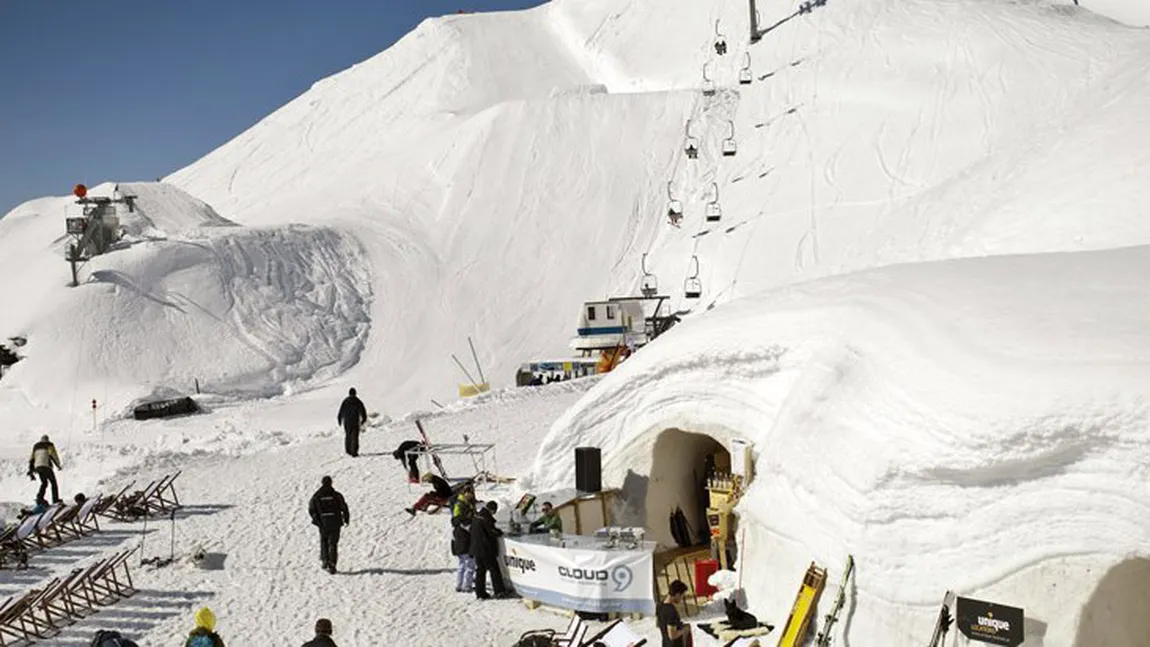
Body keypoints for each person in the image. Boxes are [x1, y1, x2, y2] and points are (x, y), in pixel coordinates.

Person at [308, 476, 350, 574]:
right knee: (333, 544)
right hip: (335, 522)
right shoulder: (336, 495)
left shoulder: (317, 496)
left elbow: (312, 509)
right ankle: (332, 564)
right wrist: (346, 518)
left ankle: (325, 561)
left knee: (324, 542)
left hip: (323, 523)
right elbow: (344, 507)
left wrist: (317, 521)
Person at [470, 500, 510, 599]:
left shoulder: (477, 515)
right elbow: (491, 531)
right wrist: (500, 532)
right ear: (492, 510)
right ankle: (499, 591)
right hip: (486, 549)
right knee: (494, 570)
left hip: (476, 548)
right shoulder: (486, 518)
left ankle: (480, 593)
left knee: (480, 571)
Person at [27, 434, 62, 504]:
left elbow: (31, 458)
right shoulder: (49, 445)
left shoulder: (36, 446)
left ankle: (39, 497)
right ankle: (55, 500)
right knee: (53, 483)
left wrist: (31, 470)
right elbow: (53, 455)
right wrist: (58, 465)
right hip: (46, 466)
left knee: (44, 483)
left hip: (38, 467)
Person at [658, 580, 691, 647]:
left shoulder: (660, 606)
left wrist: (678, 625)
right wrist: (685, 629)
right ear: (677, 594)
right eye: (682, 596)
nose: (681, 599)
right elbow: (672, 635)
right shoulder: (671, 611)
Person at [336, 388, 367, 457]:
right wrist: (363, 419)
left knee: (348, 436)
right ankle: (354, 452)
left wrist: (339, 419)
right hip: (355, 422)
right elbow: (363, 411)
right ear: (355, 393)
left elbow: (341, 411)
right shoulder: (358, 401)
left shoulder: (345, 401)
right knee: (355, 437)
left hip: (347, 422)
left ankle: (348, 450)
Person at [451, 509, 475, 593]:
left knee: (461, 567)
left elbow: (453, 540)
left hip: (459, 550)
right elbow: (471, 538)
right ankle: (467, 586)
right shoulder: (467, 525)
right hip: (466, 549)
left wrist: (454, 550)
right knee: (469, 568)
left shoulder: (455, 528)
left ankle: (459, 585)